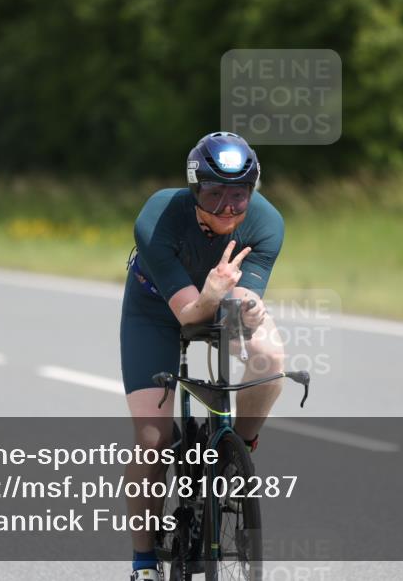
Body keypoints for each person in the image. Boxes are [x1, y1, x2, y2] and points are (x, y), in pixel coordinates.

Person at [120, 132, 285, 580]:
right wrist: (211, 293)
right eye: (214, 194)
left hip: (220, 300)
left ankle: (238, 450)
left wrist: (248, 309)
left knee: (271, 358)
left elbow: (242, 300)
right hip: (157, 310)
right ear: (195, 189)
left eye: (239, 195)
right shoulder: (158, 216)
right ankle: (144, 564)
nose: (228, 208)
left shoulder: (267, 222)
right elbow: (189, 316)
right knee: (152, 439)